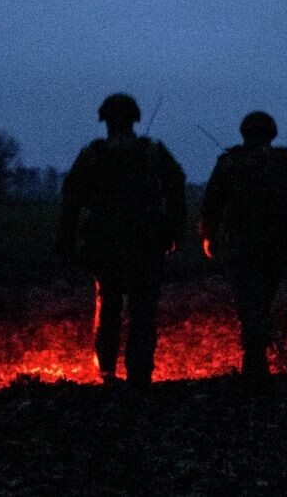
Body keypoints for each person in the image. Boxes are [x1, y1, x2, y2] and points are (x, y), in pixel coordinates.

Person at [56, 93, 186, 387]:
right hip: (146, 242)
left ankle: (107, 373)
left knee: (109, 306)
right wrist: (173, 230)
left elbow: (71, 196)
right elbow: (176, 185)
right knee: (143, 309)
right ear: (135, 119)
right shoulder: (152, 152)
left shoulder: (93, 154)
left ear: (104, 120)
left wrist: (68, 237)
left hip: (105, 242)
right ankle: (139, 374)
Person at [199, 111, 287, 389]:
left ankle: (254, 365)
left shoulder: (229, 163)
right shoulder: (284, 162)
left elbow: (212, 202)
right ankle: (258, 361)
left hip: (241, 246)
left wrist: (209, 237)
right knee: (262, 302)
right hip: (275, 246)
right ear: (271, 133)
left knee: (249, 304)